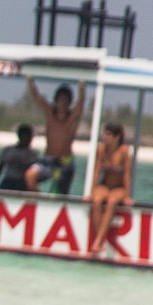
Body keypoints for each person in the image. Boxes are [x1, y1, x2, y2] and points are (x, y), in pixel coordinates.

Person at [24, 79, 86, 193]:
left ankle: (54, 202)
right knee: (30, 176)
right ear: (56, 101)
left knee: (58, 192)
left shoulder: (71, 118)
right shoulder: (50, 114)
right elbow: (37, 98)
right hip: (49, 160)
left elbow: (81, 104)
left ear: (69, 103)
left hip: (64, 162)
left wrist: (81, 87)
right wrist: (30, 81)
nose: (63, 103)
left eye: (66, 100)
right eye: (61, 100)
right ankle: (41, 201)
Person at [85, 122, 133, 255]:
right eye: (104, 133)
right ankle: (99, 240)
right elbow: (96, 171)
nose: (104, 137)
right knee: (97, 200)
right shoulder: (101, 149)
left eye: (108, 134)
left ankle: (98, 241)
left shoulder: (124, 151)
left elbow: (127, 174)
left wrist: (127, 195)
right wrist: (91, 191)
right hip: (105, 184)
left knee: (112, 201)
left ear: (117, 137)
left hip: (119, 187)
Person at [0, 123, 39, 190]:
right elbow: (0, 167)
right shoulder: (9, 150)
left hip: (23, 183)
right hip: (8, 180)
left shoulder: (32, 154)